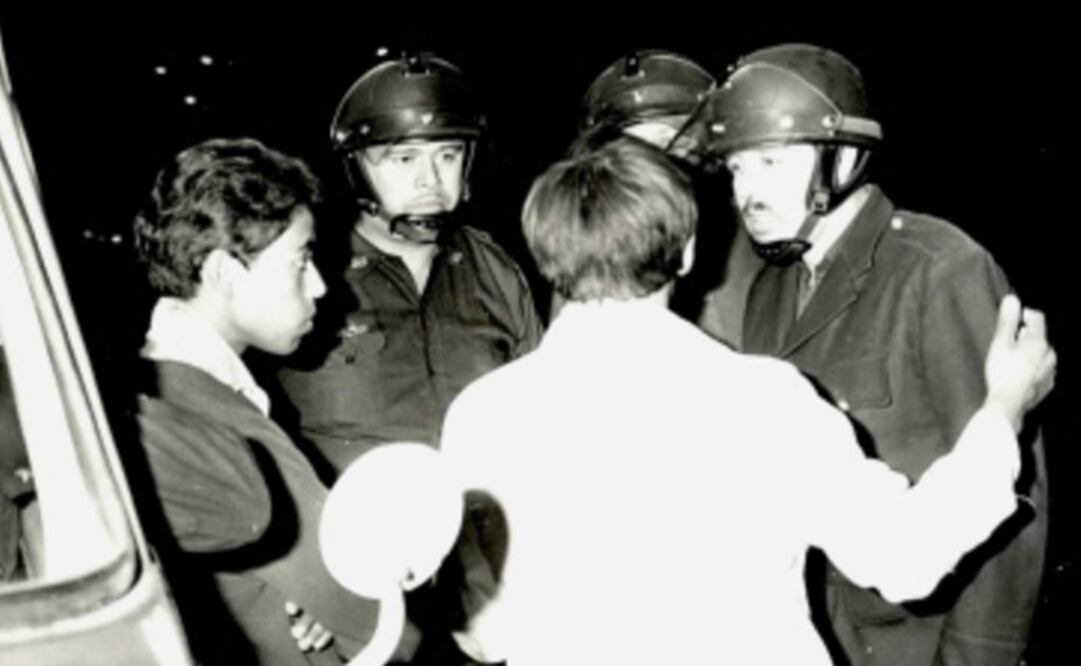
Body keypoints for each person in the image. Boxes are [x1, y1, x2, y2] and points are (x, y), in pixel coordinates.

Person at [438, 138, 1055, 665]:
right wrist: (1003, 407)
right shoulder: (765, 401)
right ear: (686, 252)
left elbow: (484, 633)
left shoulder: (481, 415)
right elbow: (905, 557)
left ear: (548, 258)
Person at [684, 43, 1049, 664]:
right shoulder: (772, 287)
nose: (748, 193)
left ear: (844, 158)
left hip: (920, 642)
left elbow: (1016, 503)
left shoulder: (939, 270)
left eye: (770, 162)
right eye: (738, 170)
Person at [131, 138, 395, 664]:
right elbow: (369, 612)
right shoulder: (215, 411)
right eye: (300, 262)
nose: (318, 286)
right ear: (225, 274)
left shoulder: (147, 391)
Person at [275, 52, 543, 476]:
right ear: (357, 169)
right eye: (405, 159)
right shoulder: (306, 276)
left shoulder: (495, 271)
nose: (430, 180)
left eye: (448, 156)